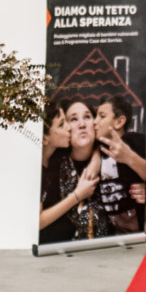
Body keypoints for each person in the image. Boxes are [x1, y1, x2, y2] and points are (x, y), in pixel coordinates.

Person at [38, 97, 110, 242]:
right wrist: (78, 195)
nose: (82, 124)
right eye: (73, 119)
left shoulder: (111, 157)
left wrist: (97, 157)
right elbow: (36, 221)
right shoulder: (51, 163)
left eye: (87, 117)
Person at [94, 94, 146, 234]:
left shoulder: (136, 142)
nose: (95, 121)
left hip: (141, 232)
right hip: (116, 235)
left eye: (102, 116)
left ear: (119, 122)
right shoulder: (96, 150)